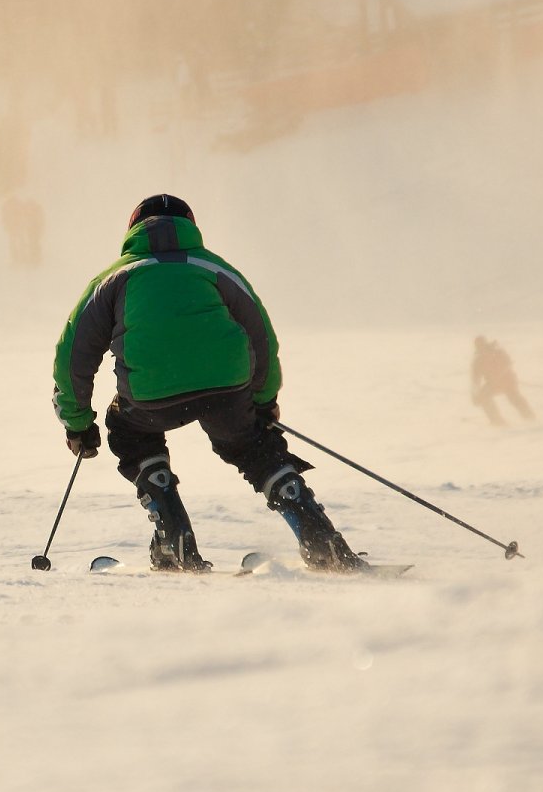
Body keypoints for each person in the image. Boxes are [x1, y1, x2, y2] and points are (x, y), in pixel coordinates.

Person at [51, 194, 367, 573]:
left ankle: (173, 537)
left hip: (150, 394)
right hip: (227, 387)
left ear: (133, 228)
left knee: (129, 431)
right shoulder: (215, 268)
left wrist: (78, 423)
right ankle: (321, 541)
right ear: (191, 225)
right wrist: (263, 402)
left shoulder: (114, 277)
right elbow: (261, 335)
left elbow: (73, 355)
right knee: (254, 448)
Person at [470, 336, 533, 426]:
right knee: (483, 396)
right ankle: (497, 421)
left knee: (514, 397)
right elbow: (475, 380)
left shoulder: (498, 352)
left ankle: (529, 417)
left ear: (486, 344)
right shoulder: (477, 361)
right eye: (480, 347)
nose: (482, 349)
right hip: (492, 384)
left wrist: (500, 376)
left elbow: (508, 364)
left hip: (508, 381)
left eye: (483, 346)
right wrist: (475, 395)